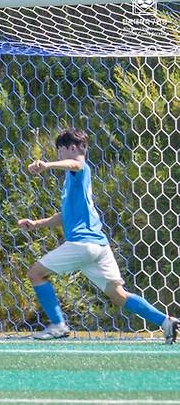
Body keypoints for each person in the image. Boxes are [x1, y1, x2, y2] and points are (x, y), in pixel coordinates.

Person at [18, 127, 178, 342]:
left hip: (82, 244)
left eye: (59, 152)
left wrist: (47, 165)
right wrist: (36, 223)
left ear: (71, 148)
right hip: (99, 247)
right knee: (119, 295)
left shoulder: (79, 169)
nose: (59, 156)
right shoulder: (73, 182)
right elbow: (65, 216)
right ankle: (166, 321)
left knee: (36, 274)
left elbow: (76, 163)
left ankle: (57, 325)